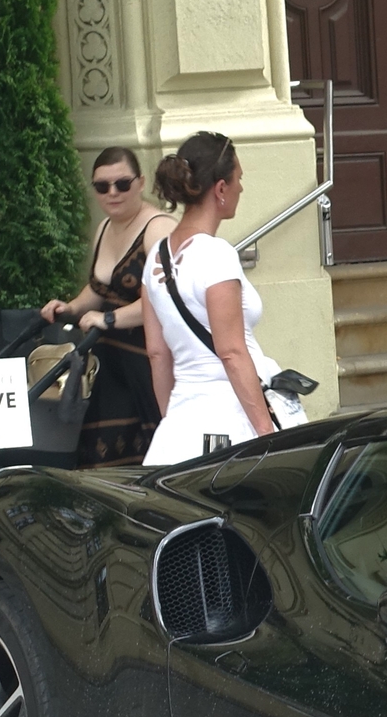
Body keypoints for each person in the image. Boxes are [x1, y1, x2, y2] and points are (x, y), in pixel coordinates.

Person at [136, 131, 304, 466]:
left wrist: (175, 422)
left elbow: (157, 353)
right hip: (233, 417)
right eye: (238, 178)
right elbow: (231, 352)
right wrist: (266, 434)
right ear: (221, 189)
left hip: (183, 418)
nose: (241, 187)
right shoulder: (217, 255)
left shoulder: (156, 255)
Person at [40, 146, 175, 466]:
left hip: (149, 363)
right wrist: (69, 308)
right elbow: (99, 289)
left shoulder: (158, 228)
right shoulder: (104, 228)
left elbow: (165, 300)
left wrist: (109, 318)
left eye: (122, 184)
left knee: (151, 454)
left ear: (140, 183)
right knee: (100, 456)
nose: (112, 193)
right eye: (102, 186)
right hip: (109, 365)